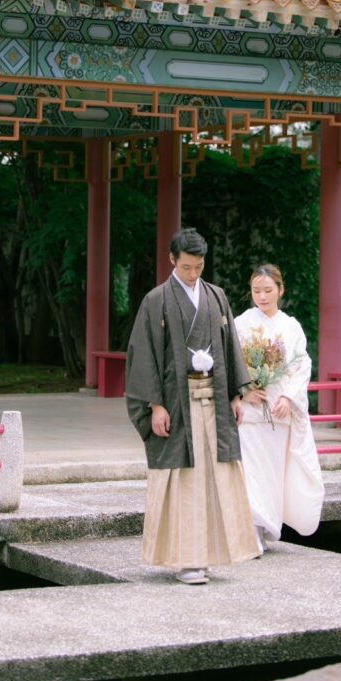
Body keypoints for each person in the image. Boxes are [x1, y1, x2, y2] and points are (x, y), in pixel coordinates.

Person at [126, 227, 260, 584]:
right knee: (184, 481)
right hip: (176, 403)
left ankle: (213, 554)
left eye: (199, 267)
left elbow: (230, 346)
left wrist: (235, 395)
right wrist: (155, 405)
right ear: (172, 259)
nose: (192, 273)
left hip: (215, 401)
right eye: (186, 267)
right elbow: (144, 355)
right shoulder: (156, 300)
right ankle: (187, 560)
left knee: (217, 476)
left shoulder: (216, 296)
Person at [234, 264, 324, 553]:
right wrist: (244, 390)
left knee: (272, 475)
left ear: (280, 290)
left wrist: (288, 397)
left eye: (267, 290)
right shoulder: (240, 323)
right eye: (256, 291)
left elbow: (301, 366)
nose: (261, 296)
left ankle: (265, 528)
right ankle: (250, 534)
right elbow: (230, 361)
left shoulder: (291, 326)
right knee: (250, 473)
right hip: (250, 413)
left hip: (278, 411)